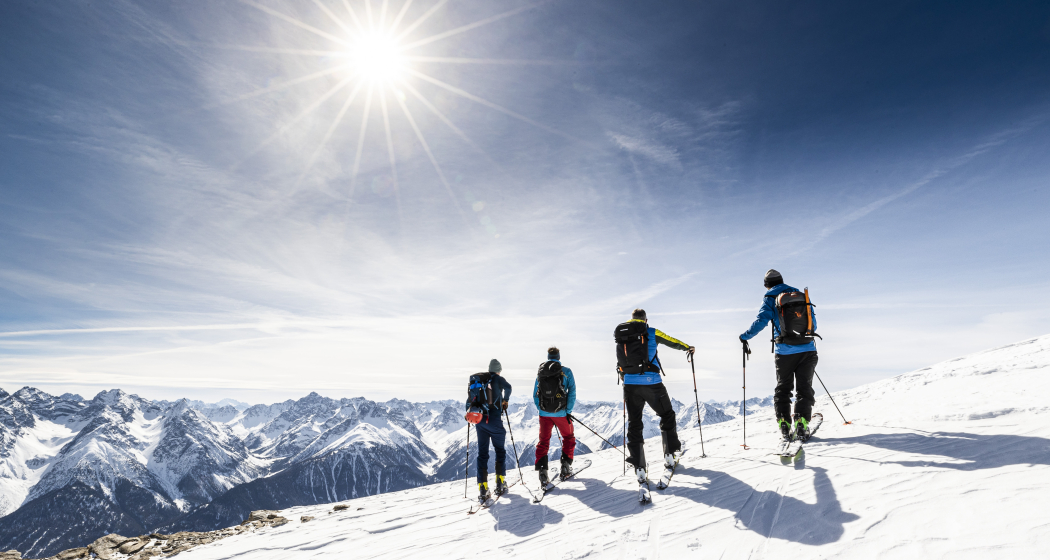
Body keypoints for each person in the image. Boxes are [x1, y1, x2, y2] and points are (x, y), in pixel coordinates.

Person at [615, 309, 695, 482]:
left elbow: (622, 359)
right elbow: (671, 341)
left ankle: (639, 465)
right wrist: (687, 347)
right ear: (645, 319)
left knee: (634, 422)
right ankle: (669, 453)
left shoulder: (623, 334)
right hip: (652, 382)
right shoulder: (650, 331)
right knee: (666, 414)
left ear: (631, 319)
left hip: (630, 384)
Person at [738, 269, 818, 440]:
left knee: (783, 388)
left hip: (784, 352)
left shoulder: (770, 299)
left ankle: (784, 423)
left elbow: (761, 322)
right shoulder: (800, 295)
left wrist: (744, 336)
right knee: (804, 388)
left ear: (767, 285)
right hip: (808, 348)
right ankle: (802, 423)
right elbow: (814, 323)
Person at [466, 359, 513, 502]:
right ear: (498, 370)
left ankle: (483, 487)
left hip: (480, 421)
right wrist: (505, 400)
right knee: (499, 450)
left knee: (482, 454)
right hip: (494, 421)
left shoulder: (479, 382)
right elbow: (509, 387)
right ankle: (499, 482)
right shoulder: (498, 379)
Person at [533, 346, 577, 486]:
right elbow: (572, 392)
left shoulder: (541, 372)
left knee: (543, 441)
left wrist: (541, 409)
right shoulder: (566, 371)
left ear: (548, 357)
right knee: (568, 437)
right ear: (558, 357)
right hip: (562, 413)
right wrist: (567, 411)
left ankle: (542, 472)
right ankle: (565, 467)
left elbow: (535, 393)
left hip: (544, 414)